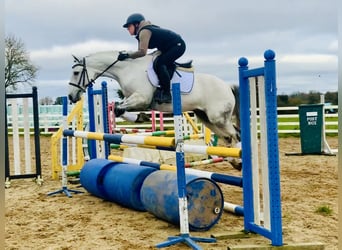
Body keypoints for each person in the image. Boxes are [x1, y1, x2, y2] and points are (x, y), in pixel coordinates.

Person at [118, 13, 186, 103]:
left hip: (178, 46)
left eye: (129, 26)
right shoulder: (142, 32)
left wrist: (127, 55)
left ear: (136, 24)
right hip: (169, 47)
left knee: (160, 63)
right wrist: (128, 56)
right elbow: (141, 53)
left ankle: (166, 94)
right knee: (155, 61)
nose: (128, 29)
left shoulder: (144, 32)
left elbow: (142, 52)